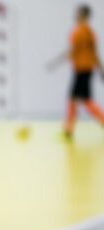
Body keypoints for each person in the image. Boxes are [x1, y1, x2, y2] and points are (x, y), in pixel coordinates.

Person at [49, 5, 104, 139]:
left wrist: (56, 62)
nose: (75, 16)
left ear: (82, 15)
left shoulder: (77, 32)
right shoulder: (91, 32)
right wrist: (101, 70)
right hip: (87, 70)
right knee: (75, 100)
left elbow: (72, 52)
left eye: (77, 14)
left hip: (80, 70)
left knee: (83, 100)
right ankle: (68, 131)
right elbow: (95, 54)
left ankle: (68, 131)